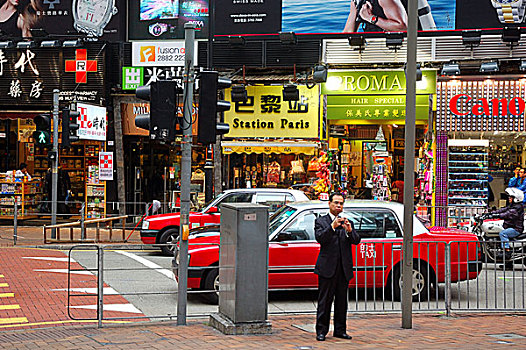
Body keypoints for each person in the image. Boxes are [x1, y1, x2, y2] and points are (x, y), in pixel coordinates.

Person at [314, 192, 361, 341]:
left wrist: (349, 231)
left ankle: (340, 330)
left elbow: (356, 241)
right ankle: (321, 331)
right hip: (327, 268)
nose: (338, 206)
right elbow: (321, 239)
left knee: (342, 302)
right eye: (336, 203)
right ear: (329, 203)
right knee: (325, 302)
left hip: (343, 269)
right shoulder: (321, 221)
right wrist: (332, 227)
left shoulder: (347, 221)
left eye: (341, 203)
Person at [490, 187, 524, 260]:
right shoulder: (512, 205)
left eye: (511, 197)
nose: (509, 198)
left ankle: (507, 252)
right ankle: (508, 263)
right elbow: (504, 209)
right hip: (511, 226)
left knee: (503, 233)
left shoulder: (517, 207)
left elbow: (508, 214)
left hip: (516, 229)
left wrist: (497, 215)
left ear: (516, 198)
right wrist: (492, 213)